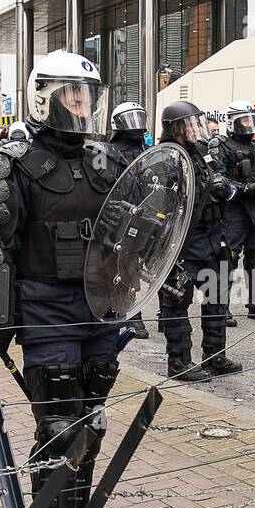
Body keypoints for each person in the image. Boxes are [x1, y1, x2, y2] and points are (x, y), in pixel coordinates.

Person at [0, 51, 127, 508]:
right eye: (71, 94)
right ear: (44, 95)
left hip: (100, 309)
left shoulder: (108, 159)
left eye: (87, 94)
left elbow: (131, 232)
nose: (81, 104)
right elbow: (0, 248)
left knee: (91, 425)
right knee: (60, 428)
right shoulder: (15, 161)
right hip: (46, 309)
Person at [156, 100, 242, 382]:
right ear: (175, 129)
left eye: (196, 123)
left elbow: (226, 182)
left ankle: (214, 355)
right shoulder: (166, 157)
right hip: (183, 241)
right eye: (189, 124)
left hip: (213, 237)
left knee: (217, 297)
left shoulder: (203, 152)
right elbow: (162, 199)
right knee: (176, 302)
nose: (195, 129)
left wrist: (225, 187)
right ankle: (179, 362)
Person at [215, 100, 255, 321]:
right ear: (232, 122)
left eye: (252, 120)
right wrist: (243, 188)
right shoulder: (222, 146)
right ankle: (222, 308)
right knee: (228, 257)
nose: (248, 125)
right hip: (235, 209)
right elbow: (218, 178)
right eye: (244, 120)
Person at [107, 101, 152, 339]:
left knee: (142, 264)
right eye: (130, 119)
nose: (137, 125)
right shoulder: (108, 153)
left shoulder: (148, 152)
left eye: (139, 119)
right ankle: (129, 316)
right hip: (121, 218)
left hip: (146, 216)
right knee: (124, 266)